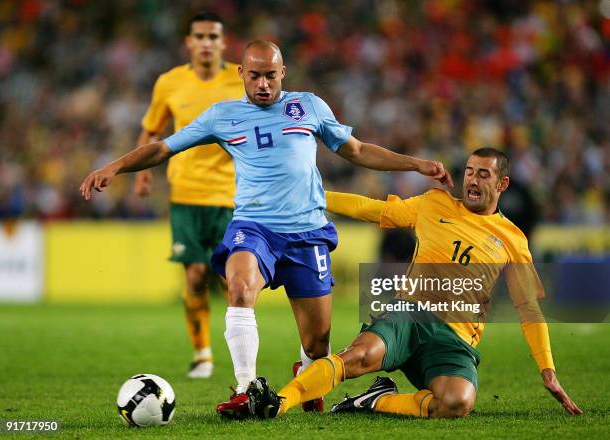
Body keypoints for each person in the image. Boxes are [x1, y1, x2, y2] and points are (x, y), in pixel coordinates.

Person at [79, 40, 452, 418]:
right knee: (240, 287)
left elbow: (356, 150)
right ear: (241, 73)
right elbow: (163, 148)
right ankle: (245, 388)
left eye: (270, 76)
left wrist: (415, 164)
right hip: (254, 227)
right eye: (254, 75)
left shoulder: (308, 106)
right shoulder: (222, 116)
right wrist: (113, 167)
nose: (262, 84)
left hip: (307, 233)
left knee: (318, 340)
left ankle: (306, 375)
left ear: (283, 73)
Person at [246, 148, 583, 419]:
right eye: (469, 172)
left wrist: (548, 371)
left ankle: (375, 401)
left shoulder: (513, 239)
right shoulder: (434, 203)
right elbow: (372, 208)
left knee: (457, 403)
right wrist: (313, 198)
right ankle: (280, 401)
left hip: (454, 339)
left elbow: (528, 308)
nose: (473, 180)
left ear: (502, 184)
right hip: (409, 315)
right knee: (358, 356)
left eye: (484, 174)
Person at [133, 12, 243, 379]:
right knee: (195, 275)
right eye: (200, 36)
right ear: (189, 42)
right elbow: (151, 130)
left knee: (233, 281)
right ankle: (202, 354)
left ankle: (242, 355)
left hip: (230, 195)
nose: (207, 42)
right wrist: (144, 174)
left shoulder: (241, 78)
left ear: (224, 42)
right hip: (185, 194)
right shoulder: (170, 83)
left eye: (214, 36)